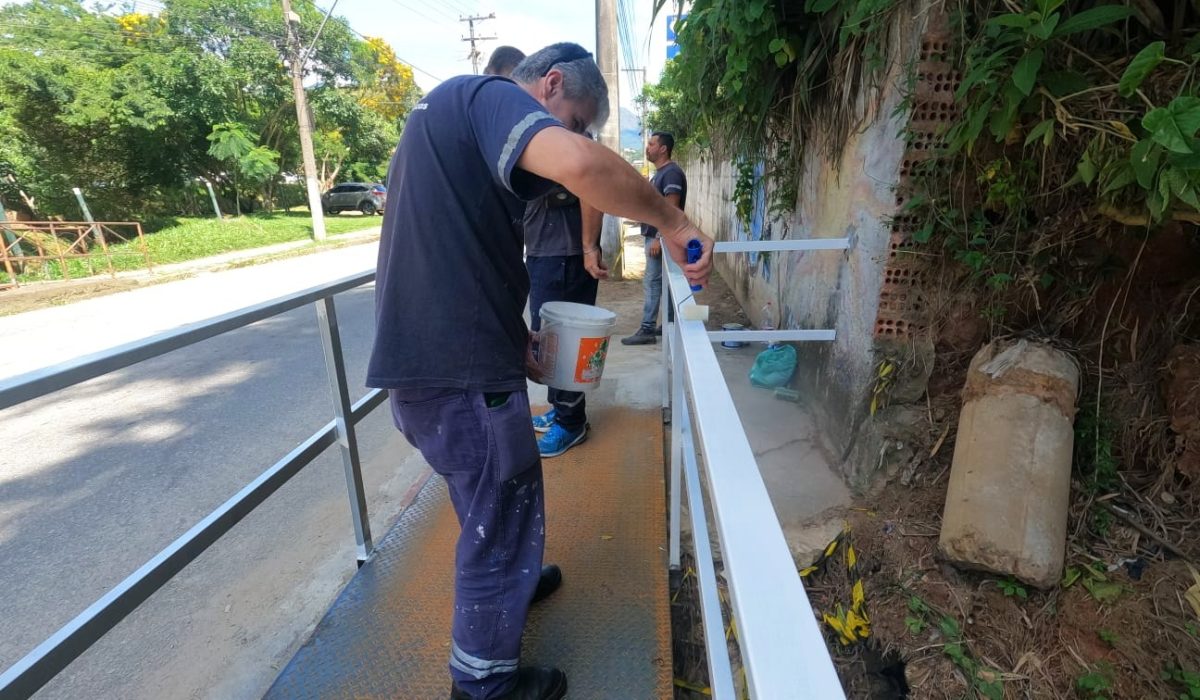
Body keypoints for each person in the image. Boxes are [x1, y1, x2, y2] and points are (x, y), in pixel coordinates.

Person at [367, 43, 713, 700]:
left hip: (436, 371)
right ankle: (483, 686)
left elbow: (461, 254)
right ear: (549, 84)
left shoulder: (447, 117)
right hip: (460, 377)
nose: (574, 139)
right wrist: (671, 220)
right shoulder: (489, 97)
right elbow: (580, 165)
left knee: (489, 504)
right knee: (500, 515)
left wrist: (513, 337)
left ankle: (512, 586)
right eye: (575, 122)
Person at [524, 155, 606, 458]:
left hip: (564, 256)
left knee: (564, 346)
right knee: (548, 343)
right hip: (544, 253)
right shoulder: (545, 135)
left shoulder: (569, 138)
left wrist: (589, 247)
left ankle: (571, 423)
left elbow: (592, 186)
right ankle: (561, 410)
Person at [621, 131, 688, 346]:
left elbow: (671, 209)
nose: (647, 148)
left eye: (651, 144)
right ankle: (669, 322)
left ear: (663, 149)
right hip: (657, 237)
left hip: (660, 238)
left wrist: (659, 237)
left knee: (652, 283)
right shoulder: (660, 173)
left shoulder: (671, 173)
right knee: (665, 282)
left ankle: (647, 329)